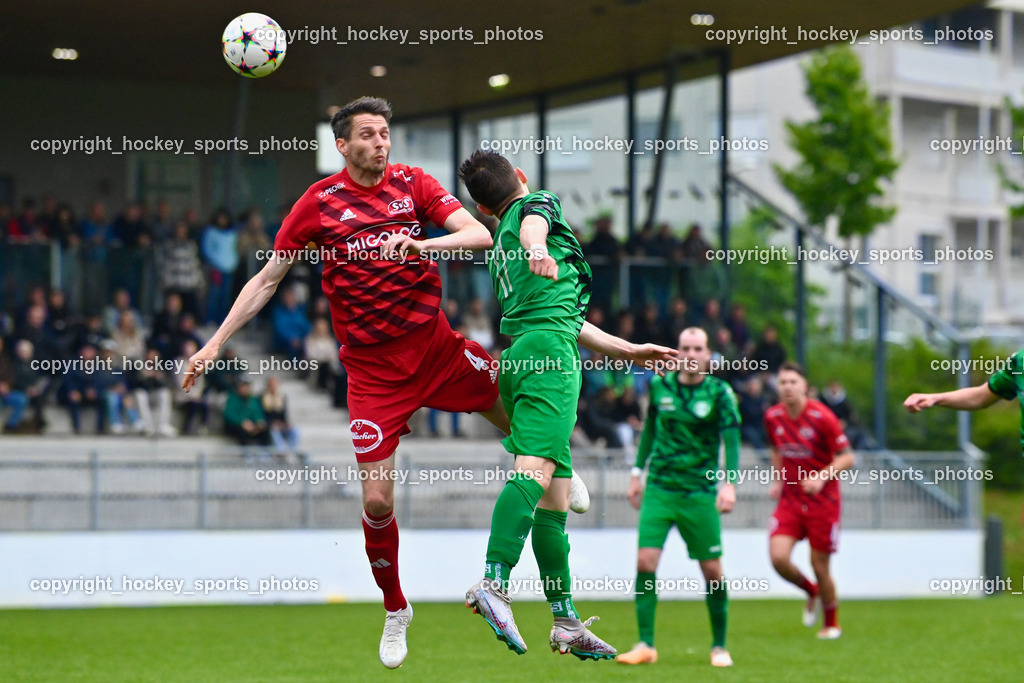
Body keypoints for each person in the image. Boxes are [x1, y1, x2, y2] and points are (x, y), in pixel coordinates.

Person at [183, 96, 506, 670]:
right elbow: (266, 280)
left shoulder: (414, 184)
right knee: (377, 499)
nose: (381, 143)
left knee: (524, 419)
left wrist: (420, 244)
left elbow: (480, 237)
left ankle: (559, 465)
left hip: (435, 349)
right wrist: (214, 345)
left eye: (385, 133)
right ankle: (395, 608)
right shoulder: (317, 205)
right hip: (373, 374)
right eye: (368, 134)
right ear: (343, 145)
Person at [458, 150, 675, 661]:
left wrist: (631, 349)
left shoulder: (498, 243)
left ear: (485, 209)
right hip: (550, 360)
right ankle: (493, 583)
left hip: (525, 351)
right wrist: (539, 247)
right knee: (532, 474)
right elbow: (537, 224)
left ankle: (565, 620)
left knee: (554, 506)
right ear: (522, 180)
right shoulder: (535, 205)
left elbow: (567, 318)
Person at [619, 327, 740, 668]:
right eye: (684, 347)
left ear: (707, 354)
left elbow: (730, 443)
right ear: (677, 351)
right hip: (660, 488)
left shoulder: (720, 393)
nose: (690, 353)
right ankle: (645, 644)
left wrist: (729, 483)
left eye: (697, 348)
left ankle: (719, 646)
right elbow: (649, 434)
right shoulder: (660, 386)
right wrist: (635, 474)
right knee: (645, 562)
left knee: (712, 571)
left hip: (700, 492)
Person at [765, 362, 856, 640]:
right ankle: (811, 591)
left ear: (805, 386)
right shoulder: (773, 417)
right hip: (791, 501)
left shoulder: (822, 417)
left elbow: (847, 457)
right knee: (778, 558)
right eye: (783, 382)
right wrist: (779, 479)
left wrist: (821, 477)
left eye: (793, 381)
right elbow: (776, 449)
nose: (788, 387)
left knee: (820, 565)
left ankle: (831, 623)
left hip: (822, 502)